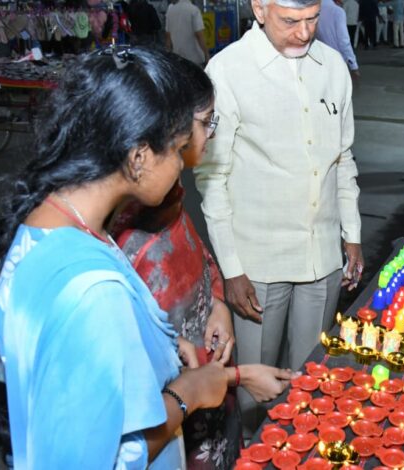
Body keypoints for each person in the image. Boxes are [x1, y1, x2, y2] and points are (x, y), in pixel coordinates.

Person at [0, 46, 233, 469]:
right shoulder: (92, 292)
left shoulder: (53, 222)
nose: (181, 164)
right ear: (138, 157)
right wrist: (189, 394)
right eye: (179, 147)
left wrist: (164, 350)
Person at [110, 57, 295, 469]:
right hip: (165, 417)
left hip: (205, 384)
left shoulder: (166, 192)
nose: (210, 135)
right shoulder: (114, 249)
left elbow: (198, 253)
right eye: (205, 122)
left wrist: (217, 303)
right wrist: (238, 376)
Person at [197, 0, 364, 438]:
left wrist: (352, 233)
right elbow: (213, 178)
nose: (305, 32)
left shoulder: (332, 68)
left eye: (312, 19)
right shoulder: (228, 70)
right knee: (257, 388)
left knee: (309, 378)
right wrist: (231, 268)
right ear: (259, 7)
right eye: (291, 21)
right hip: (258, 265)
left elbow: (342, 159)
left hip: (321, 257)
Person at [316, 0, 361, 84]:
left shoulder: (313, 9)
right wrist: (353, 65)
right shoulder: (337, 11)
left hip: (319, 56)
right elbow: (344, 41)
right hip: (336, 59)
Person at [165, 0, 209, 65]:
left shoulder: (170, 11)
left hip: (178, 57)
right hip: (195, 59)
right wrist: (206, 54)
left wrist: (168, 53)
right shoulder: (194, 10)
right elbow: (199, 35)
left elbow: (168, 37)